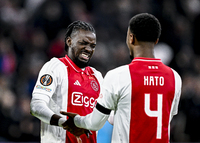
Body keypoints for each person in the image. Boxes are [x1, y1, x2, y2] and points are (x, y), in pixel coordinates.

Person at [61, 13, 182, 143]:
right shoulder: (175, 78)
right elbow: (163, 117)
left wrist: (77, 121)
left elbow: (95, 123)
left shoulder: (118, 76)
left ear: (131, 38)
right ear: (156, 41)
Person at [30, 20, 104, 143]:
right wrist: (64, 123)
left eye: (92, 46)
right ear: (69, 41)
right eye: (83, 43)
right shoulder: (55, 67)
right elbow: (36, 106)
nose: (88, 49)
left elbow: (107, 115)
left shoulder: (97, 76)